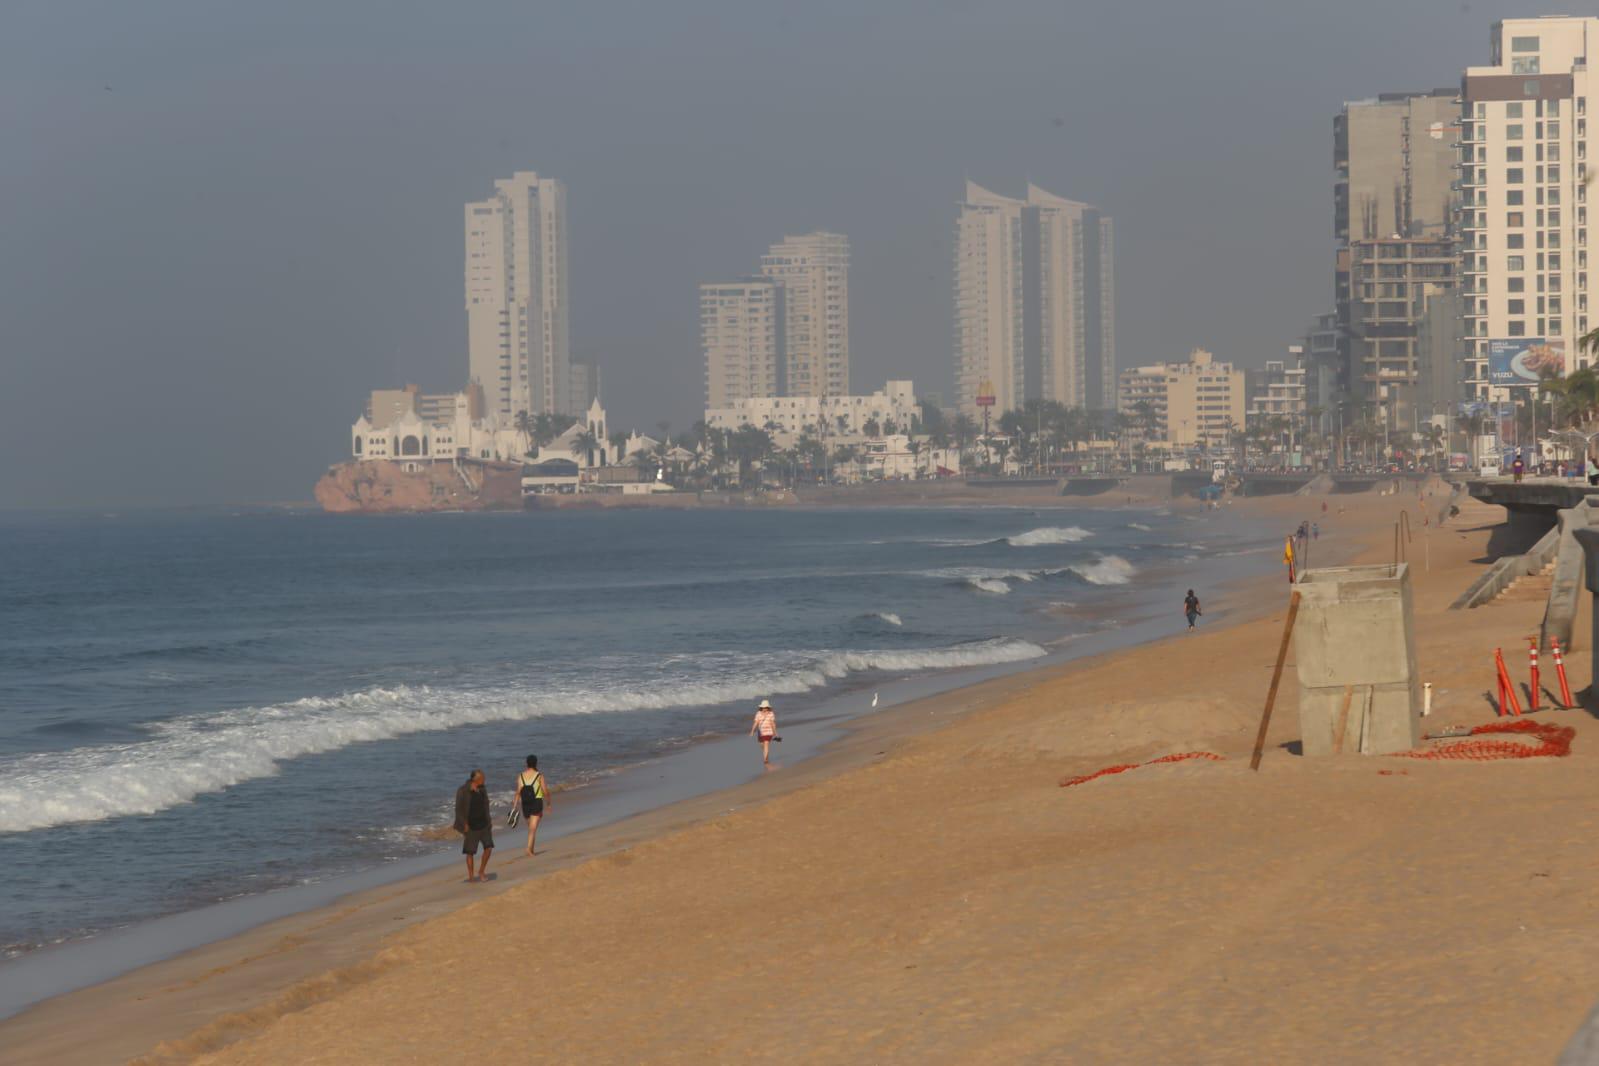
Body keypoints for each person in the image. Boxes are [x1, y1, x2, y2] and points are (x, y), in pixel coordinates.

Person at [454, 769, 494, 883]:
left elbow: (486, 805)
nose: (484, 780)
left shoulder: (483, 789)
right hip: (471, 826)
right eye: (483, 779)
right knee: (470, 852)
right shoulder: (462, 791)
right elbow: (458, 810)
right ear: (476, 780)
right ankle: (471, 876)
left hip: (484, 825)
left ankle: (481, 871)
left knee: (489, 848)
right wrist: (464, 824)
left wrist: (489, 821)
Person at [515, 755, 549, 856]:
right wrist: (549, 803)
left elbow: (518, 792)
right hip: (536, 802)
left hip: (525, 803)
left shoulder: (521, 776)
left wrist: (515, 805)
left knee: (531, 828)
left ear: (526, 764)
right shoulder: (539, 775)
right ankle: (528, 849)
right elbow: (545, 790)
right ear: (536, 763)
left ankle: (531, 850)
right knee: (532, 828)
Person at [750, 699, 778, 766]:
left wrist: (775, 732)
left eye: (766, 707)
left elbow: (773, 723)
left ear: (768, 707)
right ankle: (766, 756)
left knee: (766, 744)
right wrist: (752, 731)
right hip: (761, 732)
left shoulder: (771, 714)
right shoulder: (758, 713)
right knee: (762, 745)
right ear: (761, 707)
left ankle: (765, 759)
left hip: (769, 732)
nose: (764, 709)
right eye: (763, 707)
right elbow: (756, 722)